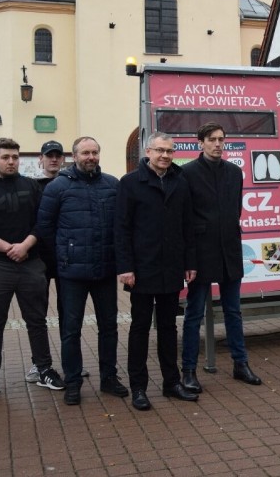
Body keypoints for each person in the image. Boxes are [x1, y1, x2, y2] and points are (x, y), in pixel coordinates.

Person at [0, 138, 65, 402]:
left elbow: (42, 222)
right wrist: (8, 248)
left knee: (36, 320)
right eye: (6, 157)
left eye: (15, 157)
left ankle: (44, 368)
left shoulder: (31, 186)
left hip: (30, 263)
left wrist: (25, 246)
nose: (11, 161)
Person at [37, 137, 128, 406]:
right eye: (85, 152)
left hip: (104, 270)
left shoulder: (112, 184)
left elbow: (122, 227)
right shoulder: (58, 187)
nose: (91, 157)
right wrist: (63, 257)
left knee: (109, 328)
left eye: (95, 152)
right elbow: (45, 228)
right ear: (74, 156)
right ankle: (73, 382)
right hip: (72, 273)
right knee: (70, 330)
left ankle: (109, 378)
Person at [116, 133, 198, 410]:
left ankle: (171, 383)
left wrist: (190, 262)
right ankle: (138, 387)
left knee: (167, 327)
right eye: (160, 150)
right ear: (148, 151)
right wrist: (125, 267)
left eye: (170, 151)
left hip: (172, 267)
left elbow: (188, 226)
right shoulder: (130, 183)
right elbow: (122, 229)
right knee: (139, 329)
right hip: (141, 269)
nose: (165, 155)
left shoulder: (180, 181)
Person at [181, 122, 262, 392]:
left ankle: (241, 364)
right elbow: (186, 220)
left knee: (233, 311)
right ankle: (189, 370)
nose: (218, 144)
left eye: (221, 139)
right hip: (201, 254)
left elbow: (234, 212)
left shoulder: (234, 172)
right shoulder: (187, 173)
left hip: (229, 251)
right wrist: (189, 260)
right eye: (212, 139)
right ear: (200, 143)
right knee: (194, 314)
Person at [24, 141, 91, 383]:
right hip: (39, 258)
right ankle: (38, 363)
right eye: (48, 156)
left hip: (66, 258)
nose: (53, 160)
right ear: (40, 159)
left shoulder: (72, 182)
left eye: (57, 156)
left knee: (69, 314)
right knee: (37, 314)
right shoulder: (31, 186)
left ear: (64, 159)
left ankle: (70, 363)